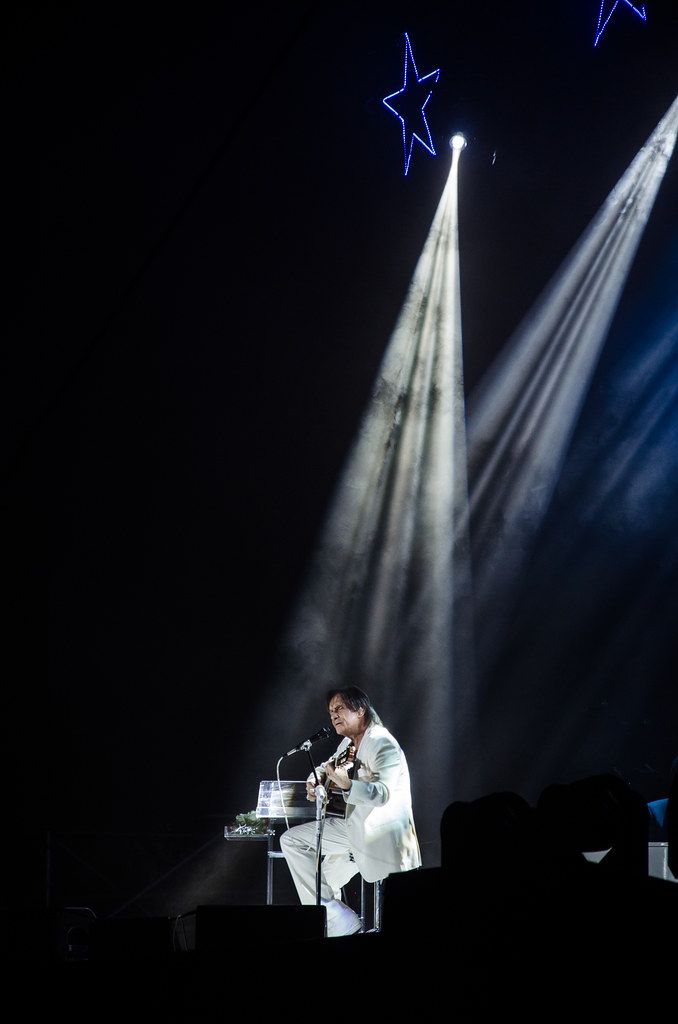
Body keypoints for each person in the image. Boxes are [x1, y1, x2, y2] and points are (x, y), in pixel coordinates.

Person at [279, 686, 421, 937]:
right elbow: (328, 767)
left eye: (339, 708)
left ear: (360, 709)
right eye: (331, 711)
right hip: (353, 829)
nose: (333, 715)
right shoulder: (348, 742)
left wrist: (347, 784)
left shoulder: (381, 741)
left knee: (295, 848)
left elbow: (382, 794)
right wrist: (317, 779)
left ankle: (341, 923)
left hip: (377, 833)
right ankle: (340, 925)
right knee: (317, 884)